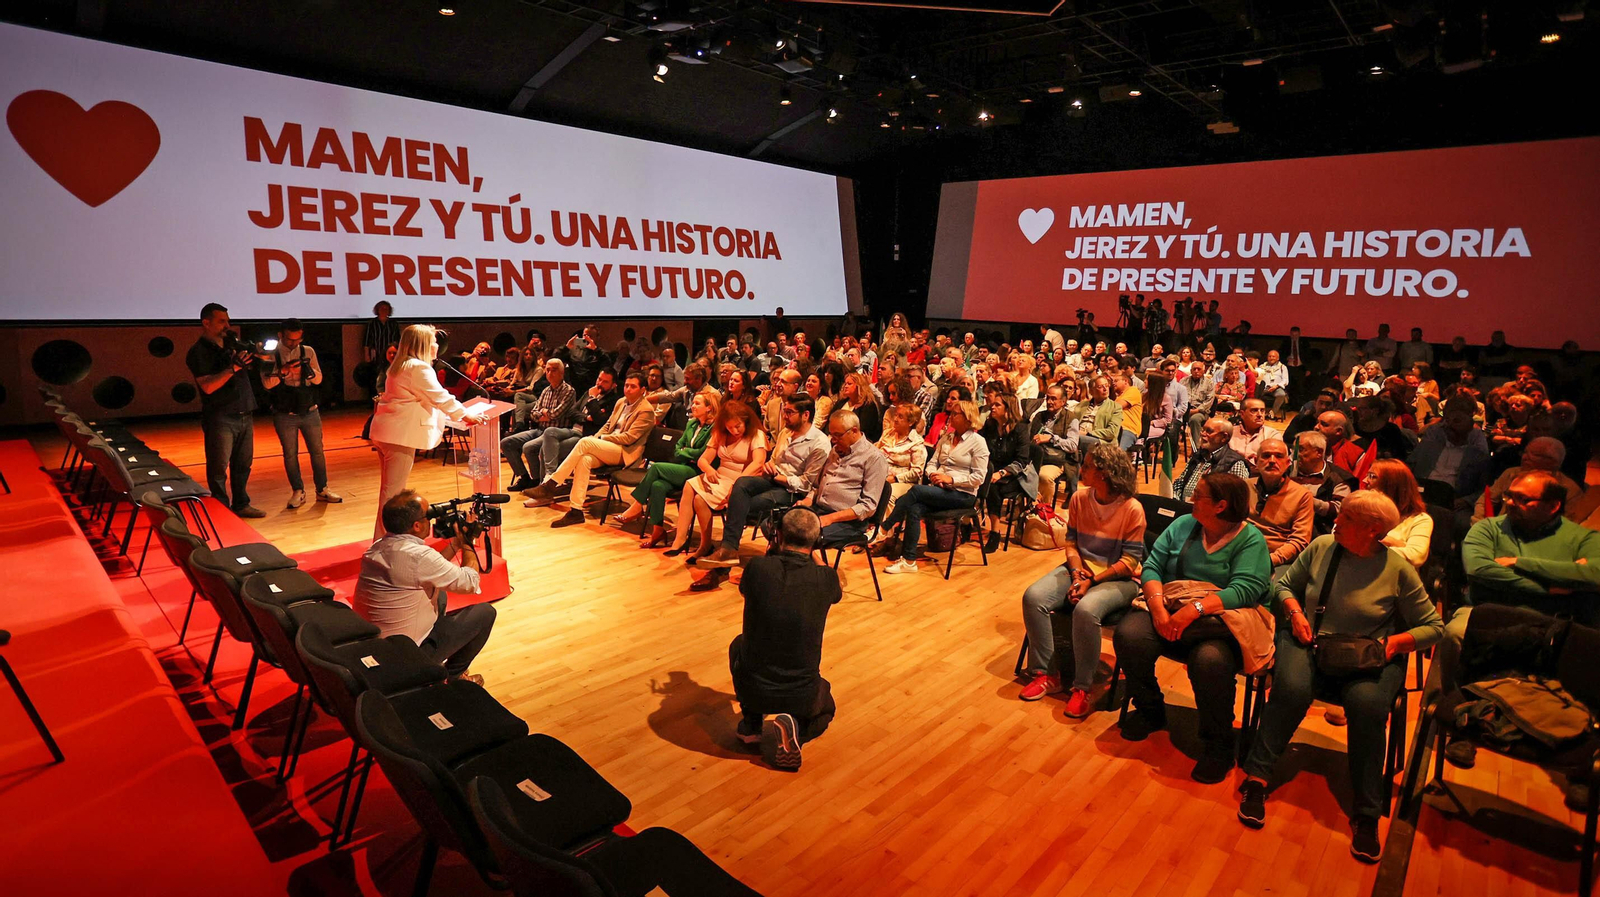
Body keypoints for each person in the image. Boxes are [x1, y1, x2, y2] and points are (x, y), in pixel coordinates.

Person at [1236, 492, 1441, 861]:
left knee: (1366, 706)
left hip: (1368, 655)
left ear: (1371, 530)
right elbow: (1283, 585)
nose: (1335, 521)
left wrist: (1393, 644)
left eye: (1345, 518)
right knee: (1292, 689)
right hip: (1310, 639)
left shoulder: (1397, 569)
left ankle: (1366, 813)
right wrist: (1295, 613)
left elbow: (1434, 627)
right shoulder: (1323, 546)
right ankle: (1257, 778)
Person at [1431, 471, 1600, 770]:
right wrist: (1555, 585)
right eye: (1509, 495)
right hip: (1489, 612)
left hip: (1554, 622)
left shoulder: (1583, 538)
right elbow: (1480, 572)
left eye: (1523, 499)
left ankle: (1580, 756)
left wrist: (1522, 563)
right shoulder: (1488, 530)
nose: (1509, 503)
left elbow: (1595, 575)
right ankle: (1462, 721)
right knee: (1455, 632)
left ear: (1552, 506)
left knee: (1587, 648)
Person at [1113, 472, 1272, 782]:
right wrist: (1158, 609)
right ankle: (1150, 709)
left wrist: (1191, 612)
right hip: (1172, 608)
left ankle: (1219, 744)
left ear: (1221, 505)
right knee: (1130, 636)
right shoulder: (1184, 525)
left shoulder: (1250, 539)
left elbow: (1246, 590)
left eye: (1198, 496)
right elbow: (1153, 566)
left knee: (1210, 661)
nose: (1190, 500)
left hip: (1218, 623)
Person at [1019, 443, 1145, 716]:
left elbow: (1131, 562)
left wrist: (1092, 581)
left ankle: (1081, 688)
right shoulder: (1079, 499)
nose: (1081, 469)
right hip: (1081, 570)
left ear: (1103, 473)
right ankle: (1046, 674)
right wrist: (1077, 574)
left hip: (1119, 577)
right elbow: (1072, 543)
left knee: (1086, 609)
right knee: (1034, 596)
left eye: (1087, 465)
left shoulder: (1132, 508)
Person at [728, 508, 839, 770]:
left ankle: (752, 723)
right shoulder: (826, 578)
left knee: (738, 644)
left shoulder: (756, 568)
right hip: (802, 691)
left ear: (777, 535)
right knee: (828, 705)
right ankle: (797, 729)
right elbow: (834, 594)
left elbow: (747, 590)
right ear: (817, 540)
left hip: (754, 688)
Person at [354, 490, 495, 682]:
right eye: (428, 515)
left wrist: (456, 544)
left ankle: (434, 668)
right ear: (417, 525)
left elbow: (425, 571)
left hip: (377, 649)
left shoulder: (378, 547)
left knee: (441, 596)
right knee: (485, 613)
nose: (432, 519)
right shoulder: (418, 556)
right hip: (405, 659)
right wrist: (469, 543)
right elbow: (470, 582)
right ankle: (450, 678)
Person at [368, 324, 489, 539]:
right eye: (434, 342)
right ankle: (385, 544)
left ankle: (381, 539)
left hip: (386, 434)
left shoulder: (401, 365)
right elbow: (439, 396)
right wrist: (465, 415)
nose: (437, 346)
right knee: (392, 496)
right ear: (423, 344)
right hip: (399, 437)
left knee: (388, 493)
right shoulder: (417, 368)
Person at [698, 394, 831, 568]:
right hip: (773, 478)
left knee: (741, 504)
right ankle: (728, 550)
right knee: (742, 483)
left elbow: (806, 483)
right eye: (785, 411)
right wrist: (769, 466)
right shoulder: (786, 432)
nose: (784, 416)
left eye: (790, 412)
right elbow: (774, 460)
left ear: (806, 415)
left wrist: (778, 476)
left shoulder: (819, 443)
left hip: (792, 491)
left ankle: (727, 555)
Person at [524, 371, 658, 528]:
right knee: (584, 459)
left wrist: (600, 439)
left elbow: (629, 438)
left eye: (633, 386)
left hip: (625, 452)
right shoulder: (621, 402)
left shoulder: (646, 410)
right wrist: (597, 436)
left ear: (643, 390)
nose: (628, 389)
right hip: (609, 447)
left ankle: (551, 484)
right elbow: (608, 425)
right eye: (627, 385)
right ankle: (576, 511)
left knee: (585, 442)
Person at [880, 400, 990, 574]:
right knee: (914, 508)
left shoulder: (978, 442)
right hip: (940, 489)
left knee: (915, 491)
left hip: (963, 494)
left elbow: (979, 478)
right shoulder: (946, 437)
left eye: (955, 414)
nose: (950, 417)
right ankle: (909, 561)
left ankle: (884, 528)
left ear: (968, 418)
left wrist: (950, 479)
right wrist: (934, 475)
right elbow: (931, 463)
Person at [665, 399, 769, 565]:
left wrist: (739, 482)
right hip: (718, 476)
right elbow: (703, 460)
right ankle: (682, 537)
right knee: (690, 484)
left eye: (738, 426)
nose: (734, 431)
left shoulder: (757, 435)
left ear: (746, 421)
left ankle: (704, 546)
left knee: (700, 499)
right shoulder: (719, 434)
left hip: (740, 480)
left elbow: (758, 463)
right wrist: (709, 469)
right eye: (730, 427)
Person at [612, 391, 719, 549]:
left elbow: (701, 454)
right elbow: (677, 448)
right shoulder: (692, 424)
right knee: (657, 486)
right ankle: (658, 532)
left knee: (656, 467)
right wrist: (686, 453)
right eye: (694, 402)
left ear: (709, 408)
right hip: (684, 466)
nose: (693, 406)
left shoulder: (714, 428)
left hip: (699, 471)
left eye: (697, 403)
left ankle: (637, 506)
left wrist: (686, 452)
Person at [186, 303, 264, 518]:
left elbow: (262, 361)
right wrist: (233, 368)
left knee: (243, 465)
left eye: (228, 321)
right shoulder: (198, 352)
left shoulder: (232, 345)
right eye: (222, 321)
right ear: (206, 323)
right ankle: (222, 510)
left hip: (245, 412)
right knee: (218, 469)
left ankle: (241, 504)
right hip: (220, 416)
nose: (227, 326)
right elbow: (208, 386)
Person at [259, 318, 341, 509]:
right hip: (284, 412)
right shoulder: (269, 354)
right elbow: (266, 384)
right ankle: (298, 491)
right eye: (289, 340)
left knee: (317, 451)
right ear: (280, 336)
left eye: (297, 340)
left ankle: (322, 489)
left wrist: (307, 369)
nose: (294, 344)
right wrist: (284, 371)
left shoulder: (308, 351)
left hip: (309, 409)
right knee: (290, 454)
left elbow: (319, 380)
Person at [500, 358, 578, 492]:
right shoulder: (545, 391)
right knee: (506, 442)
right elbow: (533, 413)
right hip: (539, 429)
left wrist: (542, 413)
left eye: (554, 370)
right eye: (547, 370)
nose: (550, 373)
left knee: (528, 447)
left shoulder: (569, 391)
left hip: (555, 432)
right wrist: (543, 413)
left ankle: (537, 481)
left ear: (561, 373)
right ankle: (524, 477)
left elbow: (556, 414)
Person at [979, 393, 1037, 553]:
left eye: (997, 405)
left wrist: (1002, 473)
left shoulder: (1020, 428)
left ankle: (995, 532)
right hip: (991, 469)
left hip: (1016, 474)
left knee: (993, 488)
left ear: (1008, 408)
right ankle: (965, 524)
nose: (992, 407)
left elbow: (1022, 460)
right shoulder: (989, 426)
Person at [1480, 435, 1586, 522]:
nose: (1525, 457)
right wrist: (1480, 525)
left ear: (1554, 462)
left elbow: (1570, 524)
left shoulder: (1569, 490)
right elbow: (1485, 500)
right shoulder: (1511, 473)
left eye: (1535, 454)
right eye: (1525, 452)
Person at [1247, 438, 1313, 575]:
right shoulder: (1243, 487)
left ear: (1288, 463)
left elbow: (1299, 541)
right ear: (1256, 461)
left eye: (1278, 456)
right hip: (1241, 552)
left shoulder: (1302, 495)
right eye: (1266, 456)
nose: (1272, 460)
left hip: (1276, 560)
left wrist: (1270, 560)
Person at [1364, 460, 1433, 567]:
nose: (1365, 480)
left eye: (1372, 476)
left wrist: (1377, 544)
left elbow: (1416, 557)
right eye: (1367, 475)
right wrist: (1396, 544)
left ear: (1392, 484)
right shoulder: (1362, 509)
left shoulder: (1420, 520)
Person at [1289, 432, 1354, 536]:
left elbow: (1339, 509)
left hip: (1318, 532)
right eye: (1294, 449)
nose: (1294, 454)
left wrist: (1306, 499)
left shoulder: (1338, 477)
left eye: (1300, 449)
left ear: (1319, 452)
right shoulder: (1287, 472)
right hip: (1285, 529)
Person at [1172, 417, 1249, 502]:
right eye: (1203, 429)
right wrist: (1176, 500)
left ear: (1224, 437)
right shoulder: (1198, 455)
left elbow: (1237, 499)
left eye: (1209, 431)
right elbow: (1180, 482)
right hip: (1185, 508)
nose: (1203, 434)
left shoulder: (1236, 463)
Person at [1029, 384, 1080, 508]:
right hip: (1036, 456)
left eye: (1053, 399)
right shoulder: (1039, 416)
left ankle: (1044, 510)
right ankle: (1022, 507)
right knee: (1022, 472)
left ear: (1063, 401)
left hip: (1058, 460)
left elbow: (1072, 445)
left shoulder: (1071, 418)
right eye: (1048, 398)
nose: (1050, 402)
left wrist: (1051, 439)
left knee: (1044, 476)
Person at [876, 404, 928, 519]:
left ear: (910, 422)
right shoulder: (888, 433)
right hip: (879, 475)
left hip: (903, 482)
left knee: (888, 494)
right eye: (896, 415)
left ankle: (883, 531)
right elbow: (875, 452)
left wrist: (895, 478)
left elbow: (916, 472)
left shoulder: (916, 443)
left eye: (900, 417)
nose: (895, 419)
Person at [1229, 398, 1283, 468]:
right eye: (1254, 410)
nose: (1260, 414)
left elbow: (1272, 462)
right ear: (1242, 414)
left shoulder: (1272, 435)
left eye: (1262, 411)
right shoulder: (1230, 433)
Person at [1078, 375, 1123, 457]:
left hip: (1101, 442)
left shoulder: (1116, 407)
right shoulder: (1081, 405)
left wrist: (1087, 433)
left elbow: (1112, 432)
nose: (1105, 389)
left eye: (1106, 385)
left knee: (1078, 440)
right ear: (1091, 391)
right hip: (1077, 435)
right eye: (1100, 387)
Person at [1256, 350, 1289, 419]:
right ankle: (1259, 413)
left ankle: (1272, 413)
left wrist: (1276, 386)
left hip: (1276, 388)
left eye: (1273, 356)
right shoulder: (1262, 366)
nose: (1271, 358)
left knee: (1281, 394)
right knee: (1255, 394)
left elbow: (1285, 380)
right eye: (1270, 356)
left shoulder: (1282, 367)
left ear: (1278, 358)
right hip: (1264, 388)